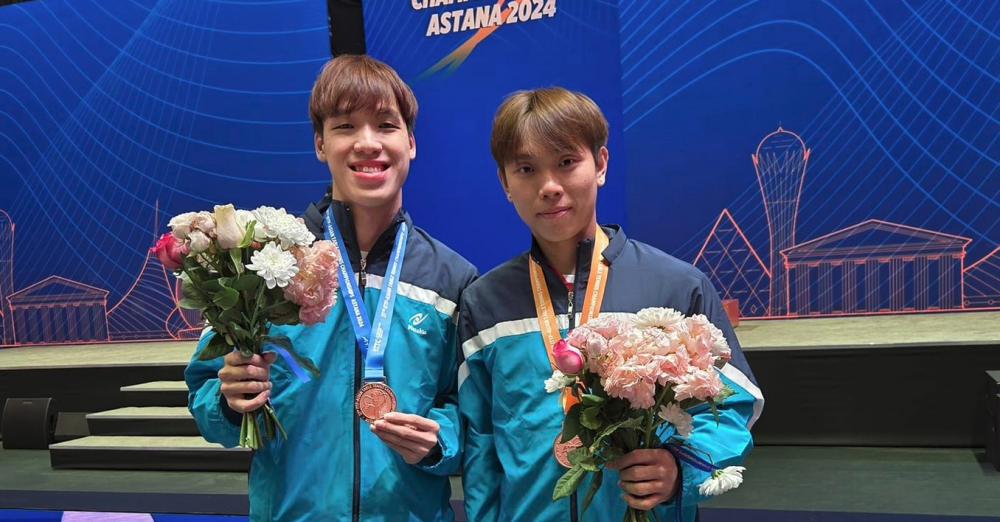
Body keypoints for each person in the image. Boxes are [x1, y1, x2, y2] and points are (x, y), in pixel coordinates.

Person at [185, 55, 477, 522]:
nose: (367, 143)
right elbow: (205, 392)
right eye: (345, 127)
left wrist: (440, 438)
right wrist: (229, 401)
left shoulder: (452, 279)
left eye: (385, 125)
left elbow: (472, 412)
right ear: (321, 144)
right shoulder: (266, 263)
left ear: (411, 142)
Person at [457, 88, 763, 522]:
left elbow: (733, 406)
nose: (549, 187)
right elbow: (482, 446)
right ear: (505, 183)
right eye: (526, 169)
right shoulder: (484, 303)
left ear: (600, 163)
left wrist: (681, 469)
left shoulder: (676, 288)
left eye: (566, 162)